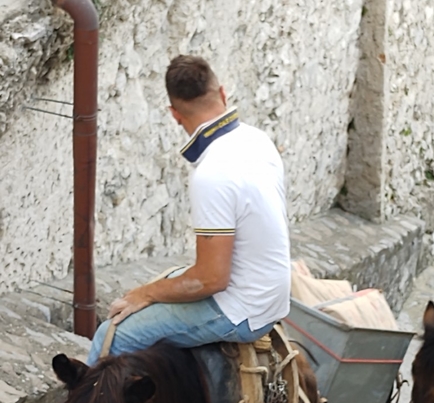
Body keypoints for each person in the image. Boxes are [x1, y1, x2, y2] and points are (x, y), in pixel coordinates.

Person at [86, 54, 291, 364]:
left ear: (174, 114)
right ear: (222, 93)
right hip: (271, 294)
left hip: (241, 309)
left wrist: (147, 293)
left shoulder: (211, 173)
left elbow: (210, 280)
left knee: (111, 336)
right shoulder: (257, 140)